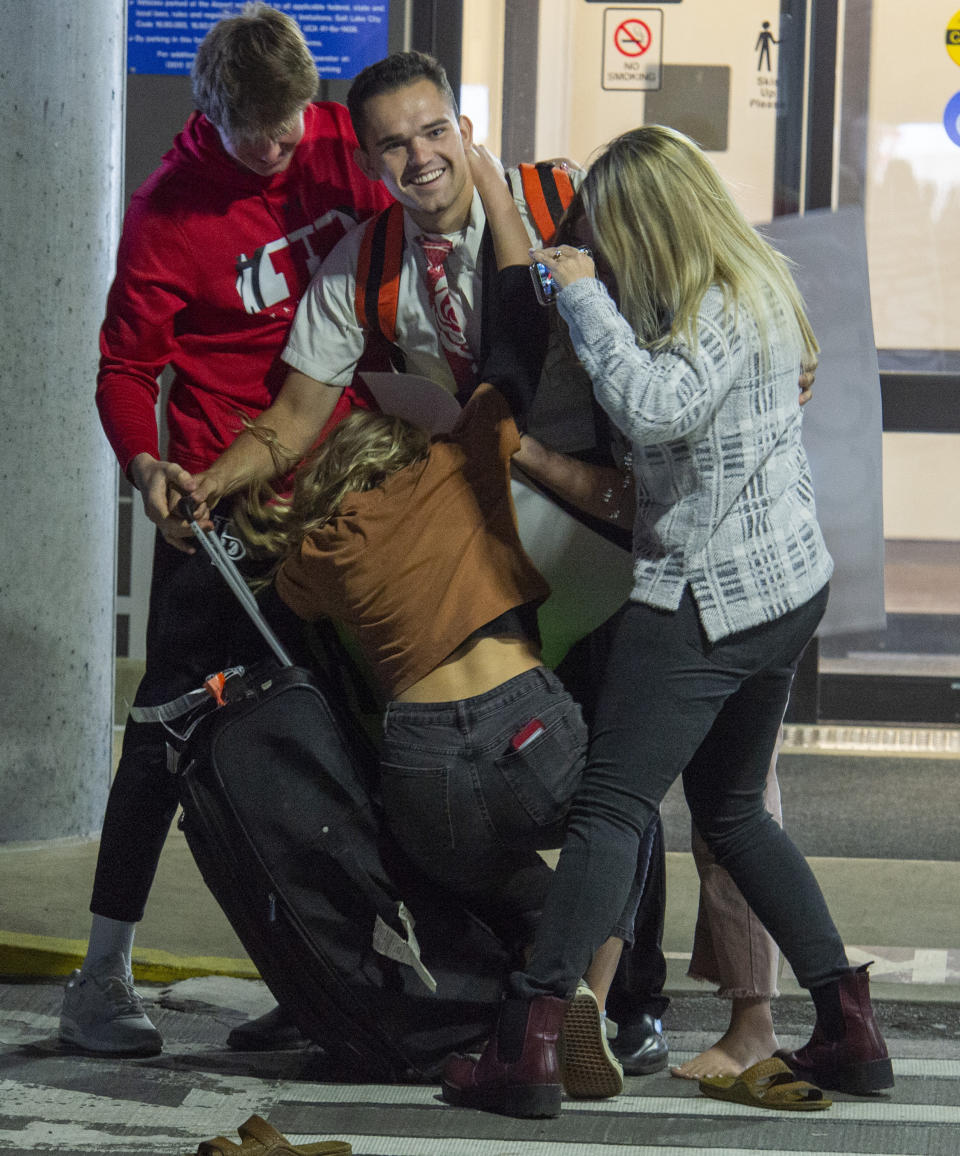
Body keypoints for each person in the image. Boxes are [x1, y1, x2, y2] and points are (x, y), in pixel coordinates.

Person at [186, 48, 672, 1072]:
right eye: (395, 144)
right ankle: (495, 981)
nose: (420, 157)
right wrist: (212, 478)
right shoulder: (362, 265)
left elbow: (674, 298)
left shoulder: (556, 199)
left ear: (464, 123)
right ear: (368, 160)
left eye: (434, 130)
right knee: (499, 773)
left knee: (618, 765)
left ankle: (633, 1004)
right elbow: (295, 418)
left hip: (600, 520)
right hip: (488, 533)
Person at [440, 125, 893, 1118]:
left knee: (611, 811)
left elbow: (654, 408)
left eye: (610, 229)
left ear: (647, 220)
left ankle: (528, 1039)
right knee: (731, 812)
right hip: (784, 587)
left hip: (706, 598)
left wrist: (581, 293)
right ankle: (849, 1023)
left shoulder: (716, 306)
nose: (599, 244)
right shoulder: (760, 276)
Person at [60, 3, 391, 1058]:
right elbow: (123, 367)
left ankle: (324, 971)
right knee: (163, 739)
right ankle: (101, 977)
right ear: (214, 117)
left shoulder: (341, 144)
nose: (284, 145)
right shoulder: (169, 214)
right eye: (261, 133)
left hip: (350, 491)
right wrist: (143, 462)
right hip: (223, 508)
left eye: (295, 120)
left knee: (350, 745)